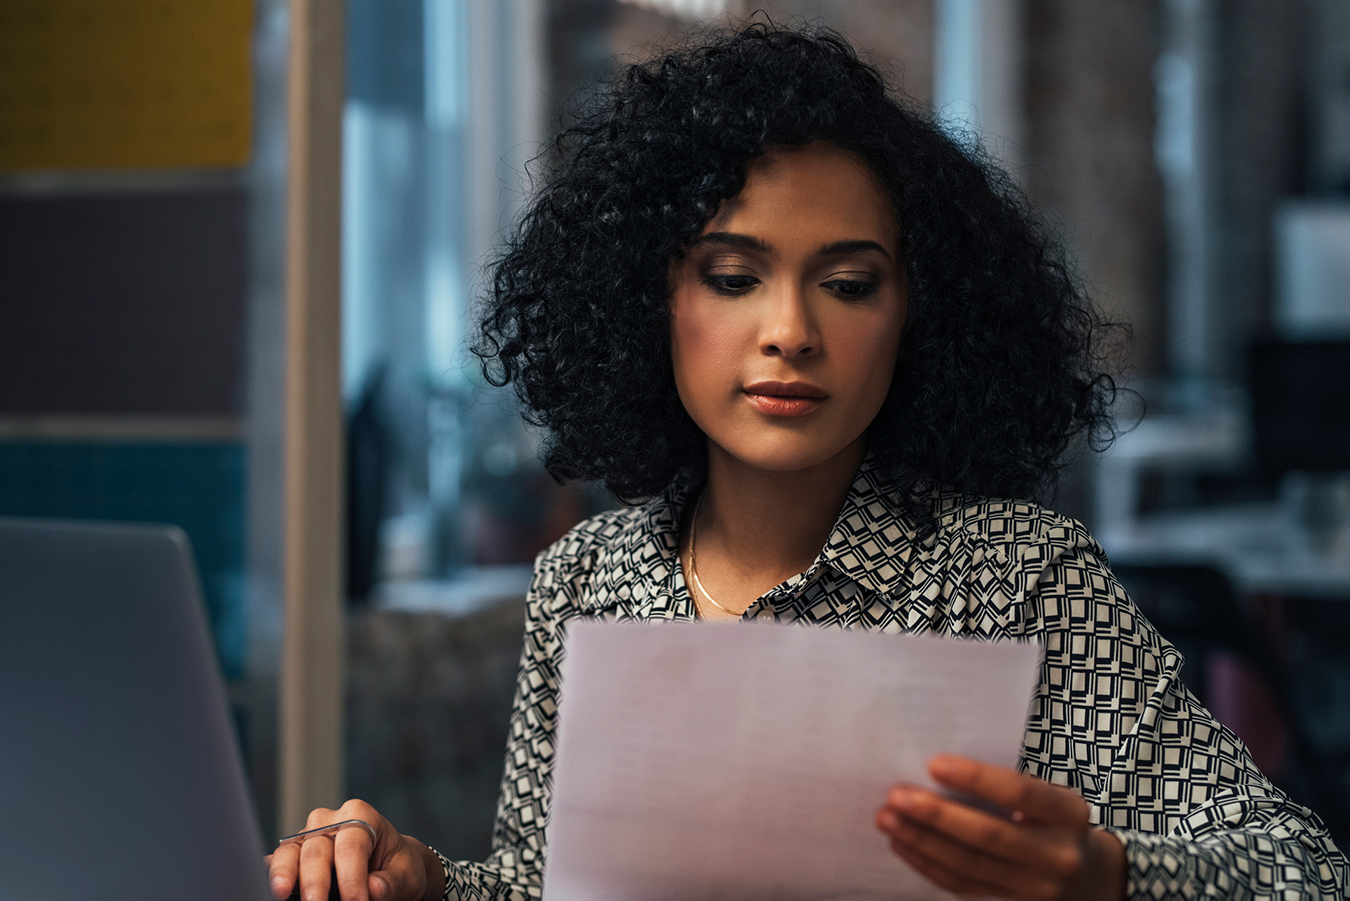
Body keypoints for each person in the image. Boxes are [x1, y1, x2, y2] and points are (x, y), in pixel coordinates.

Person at [267, 21, 1349, 901]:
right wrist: (424, 883)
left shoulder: (1018, 576)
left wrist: (1111, 878)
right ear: (651, 303)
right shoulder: (587, 581)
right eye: (733, 277)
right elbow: (549, 886)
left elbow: (1301, 872)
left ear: (918, 317)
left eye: (848, 281)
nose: (790, 329)